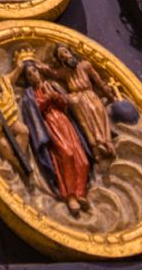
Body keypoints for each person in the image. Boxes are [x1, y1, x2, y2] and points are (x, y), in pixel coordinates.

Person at [16, 59, 93, 214]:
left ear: (39, 71)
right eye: (29, 75)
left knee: (82, 160)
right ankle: (70, 195)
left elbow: (64, 103)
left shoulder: (51, 85)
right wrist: (47, 98)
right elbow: (33, 111)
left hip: (64, 122)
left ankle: (80, 193)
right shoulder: (29, 95)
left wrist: (55, 95)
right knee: (66, 154)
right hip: (48, 124)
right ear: (27, 79)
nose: (33, 75)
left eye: (34, 71)